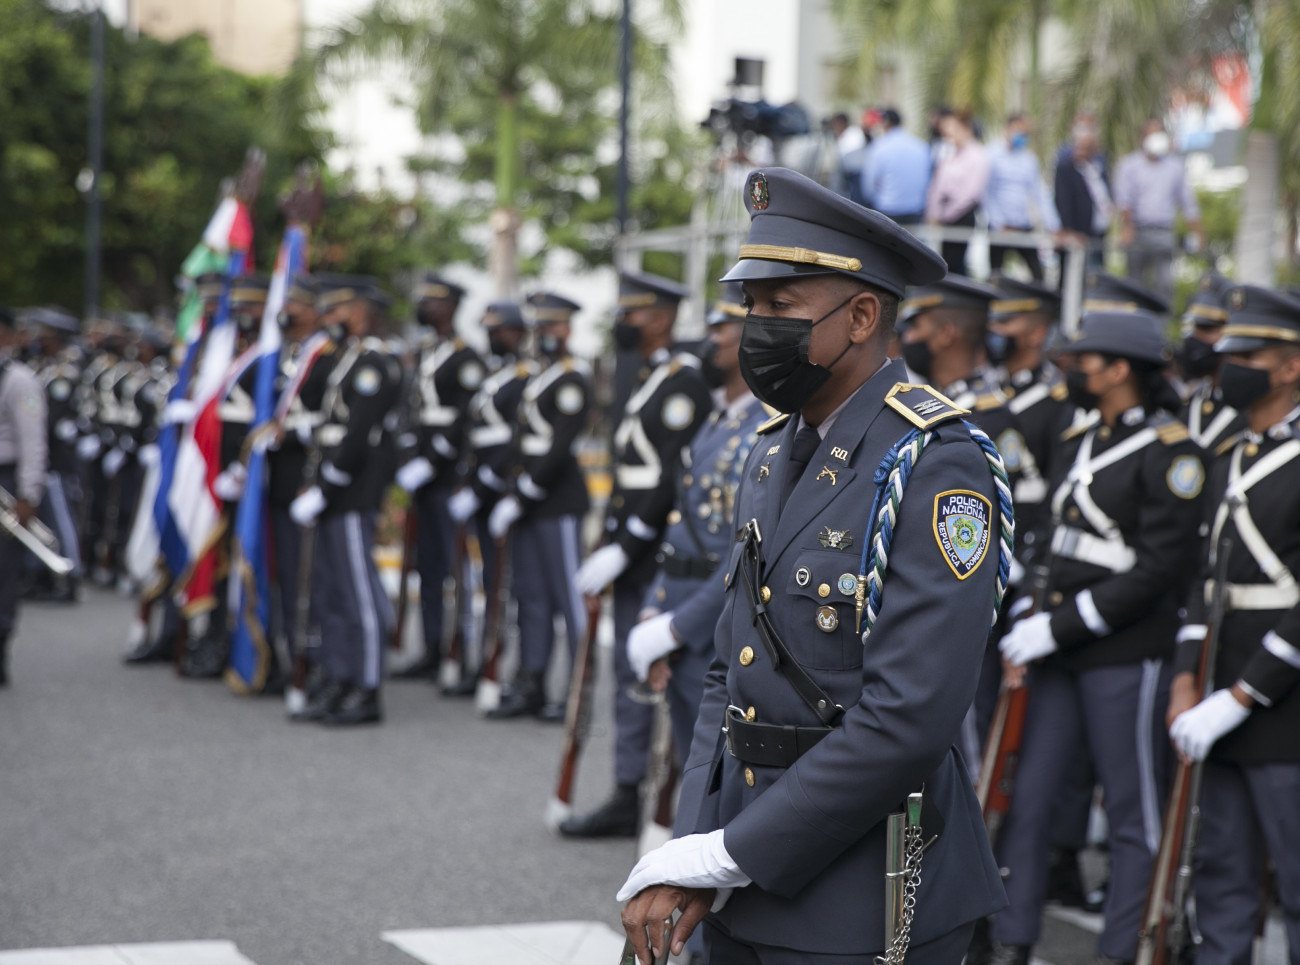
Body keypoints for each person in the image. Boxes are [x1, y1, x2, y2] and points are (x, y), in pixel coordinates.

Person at [617, 166, 1012, 965]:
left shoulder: (937, 462)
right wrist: (695, 846)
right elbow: (729, 673)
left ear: (861, 315)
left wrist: (733, 852)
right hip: (741, 880)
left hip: (862, 893)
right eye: (752, 305)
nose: (755, 328)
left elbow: (907, 717)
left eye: (780, 306)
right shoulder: (772, 451)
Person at [990, 309, 1206, 965]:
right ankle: (1012, 939)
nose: (1070, 373)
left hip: (1124, 652)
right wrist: (1029, 613)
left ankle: (1123, 948)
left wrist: (1058, 625)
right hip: (1059, 653)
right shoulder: (1079, 436)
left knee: (1133, 811)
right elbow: (1052, 540)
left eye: (1082, 362)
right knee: (1030, 800)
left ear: (1118, 370)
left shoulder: (1172, 452)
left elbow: (1159, 570)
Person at [1167, 285, 1300, 965]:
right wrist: (1186, 679)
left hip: (1283, 706)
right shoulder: (1229, 456)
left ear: (1291, 366)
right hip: (1218, 688)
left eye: (1249, 357)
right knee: (1221, 877)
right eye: (1229, 357)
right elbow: (1205, 578)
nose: (1230, 369)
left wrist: (1246, 694)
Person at [560, 272, 712, 839]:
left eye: (635, 312)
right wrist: (609, 542)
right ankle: (627, 791)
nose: (624, 322)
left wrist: (626, 547)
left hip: (657, 552)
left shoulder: (684, 383)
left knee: (666, 678)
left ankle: (675, 802)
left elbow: (671, 477)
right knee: (628, 673)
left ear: (663, 318)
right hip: (630, 543)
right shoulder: (651, 376)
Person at [625, 283, 767, 774]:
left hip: (714, 624)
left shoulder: (764, 428)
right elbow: (681, 528)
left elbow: (743, 554)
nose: (710, 341)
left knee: (712, 773)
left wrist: (678, 627)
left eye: (721, 330)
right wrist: (656, 609)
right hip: (681, 606)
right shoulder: (717, 420)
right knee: (690, 763)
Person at [290, 276, 403, 725]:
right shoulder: (345, 358)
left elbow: (358, 432)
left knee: (358, 595)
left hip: (354, 487)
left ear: (358, 312)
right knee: (333, 592)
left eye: (336, 310)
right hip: (332, 485)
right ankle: (340, 675)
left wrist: (329, 484)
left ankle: (367, 687)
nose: (328, 318)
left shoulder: (374, 361)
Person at [483, 291, 591, 721]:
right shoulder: (538, 376)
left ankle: (577, 690)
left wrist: (525, 491)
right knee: (530, 596)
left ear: (567, 329)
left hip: (557, 501)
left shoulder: (572, 378)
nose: (544, 333)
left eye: (551, 326)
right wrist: (502, 486)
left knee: (569, 598)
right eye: (539, 326)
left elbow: (561, 446)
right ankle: (532, 680)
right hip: (527, 501)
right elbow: (520, 439)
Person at [392, 273, 484, 689]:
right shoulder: (425, 351)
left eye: (433, 302)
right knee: (427, 566)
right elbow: (413, 412)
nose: (425, 308)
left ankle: (460, 651)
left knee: (454, 567)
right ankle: (431, 646)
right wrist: (409, 457)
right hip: (423, 477)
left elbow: (465, 416)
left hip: (448, 475)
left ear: (451, 307)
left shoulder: (466, 357)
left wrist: (432, 461)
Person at [446, 300, 534, 697]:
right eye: (490, 331)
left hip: (503, 491)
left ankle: (505, 665)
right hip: (480, 490)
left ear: (519, 333)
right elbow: (473, 435)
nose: (494, 337)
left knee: (506, 585)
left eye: (501, 331)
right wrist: (466, 481)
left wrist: (483, 483)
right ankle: (482, 659)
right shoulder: (492, 375)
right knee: (483, 580)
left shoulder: (526, 378)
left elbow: (516, 441)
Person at [0, 306, 49, 686]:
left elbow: (32, 441)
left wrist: (28, 493)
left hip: (5, 480)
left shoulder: (18, 380)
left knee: (2, 572)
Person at [1113, 119, 1203, 301]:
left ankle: (1162, 319)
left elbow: (1188, 202)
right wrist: (1127, 228)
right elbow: (1124, 201)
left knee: (1165, 285)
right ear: (1142, 138)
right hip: (1138, 232)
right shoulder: (1129, 165)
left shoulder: (1175, 167)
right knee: (1134, 284)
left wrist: (1198, 232)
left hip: (1164, 232)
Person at [983, 114, 1059, 283]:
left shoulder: (1029, 160)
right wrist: (999, 223)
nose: (1021, 136)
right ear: (1007, 129)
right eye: (1018, 130)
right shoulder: (992, 155)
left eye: (1025, 133)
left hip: (1022, 225)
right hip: (999, 227)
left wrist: (1053, 225)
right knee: (995, 276)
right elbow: (987, 193)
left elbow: (1040, 194)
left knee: (1038, 275)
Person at [1178, 273, 1247, 453]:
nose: (1195, 337)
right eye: (1194, 328)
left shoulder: (1251, 409)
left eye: (1207, 328)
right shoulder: (1192, 404)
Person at [926, 108, 991, 276]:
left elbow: (970, 194)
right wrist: (934, 212)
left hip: (962, 216)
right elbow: (938, 185)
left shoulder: (976, 155)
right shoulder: (952, 153)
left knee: (956, 263)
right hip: (947, 216)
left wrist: (946, 214)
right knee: (947, 262)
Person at [1053, 114, 1112, 274]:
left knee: (1095, 275)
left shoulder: (1099, 165)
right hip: (1076, 234)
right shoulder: (1065, 166)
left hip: (1097, 232)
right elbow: (1063, 201)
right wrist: (1070, 230)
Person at [859, 107, 932, 224]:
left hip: (887, 210)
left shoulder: (879, 147)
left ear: (883, 123)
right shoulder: (920, 145)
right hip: (916, 210)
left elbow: (869, 186)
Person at [827, 112, 868, 204]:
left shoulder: (854, 134)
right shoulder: (842, 136)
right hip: (848, 174)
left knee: (857, 201)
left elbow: (850, 157)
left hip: (857, 173)